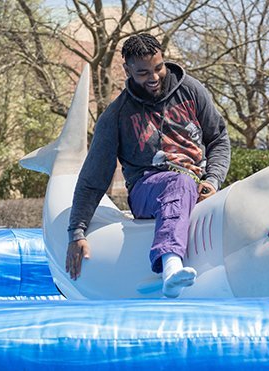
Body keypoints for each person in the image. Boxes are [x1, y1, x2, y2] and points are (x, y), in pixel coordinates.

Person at [65, 33, 231, 298]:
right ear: (127, 69)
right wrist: (77, 232)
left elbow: (218, 139)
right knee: (179, 182)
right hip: (148, 190)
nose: (153, 78)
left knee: (194, 186)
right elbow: (93, 178)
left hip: (197, 185)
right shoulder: (116, 115)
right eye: (143, 73)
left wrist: (212, 181)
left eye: (158, 68)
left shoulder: (191, 90)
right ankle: (171, 266)